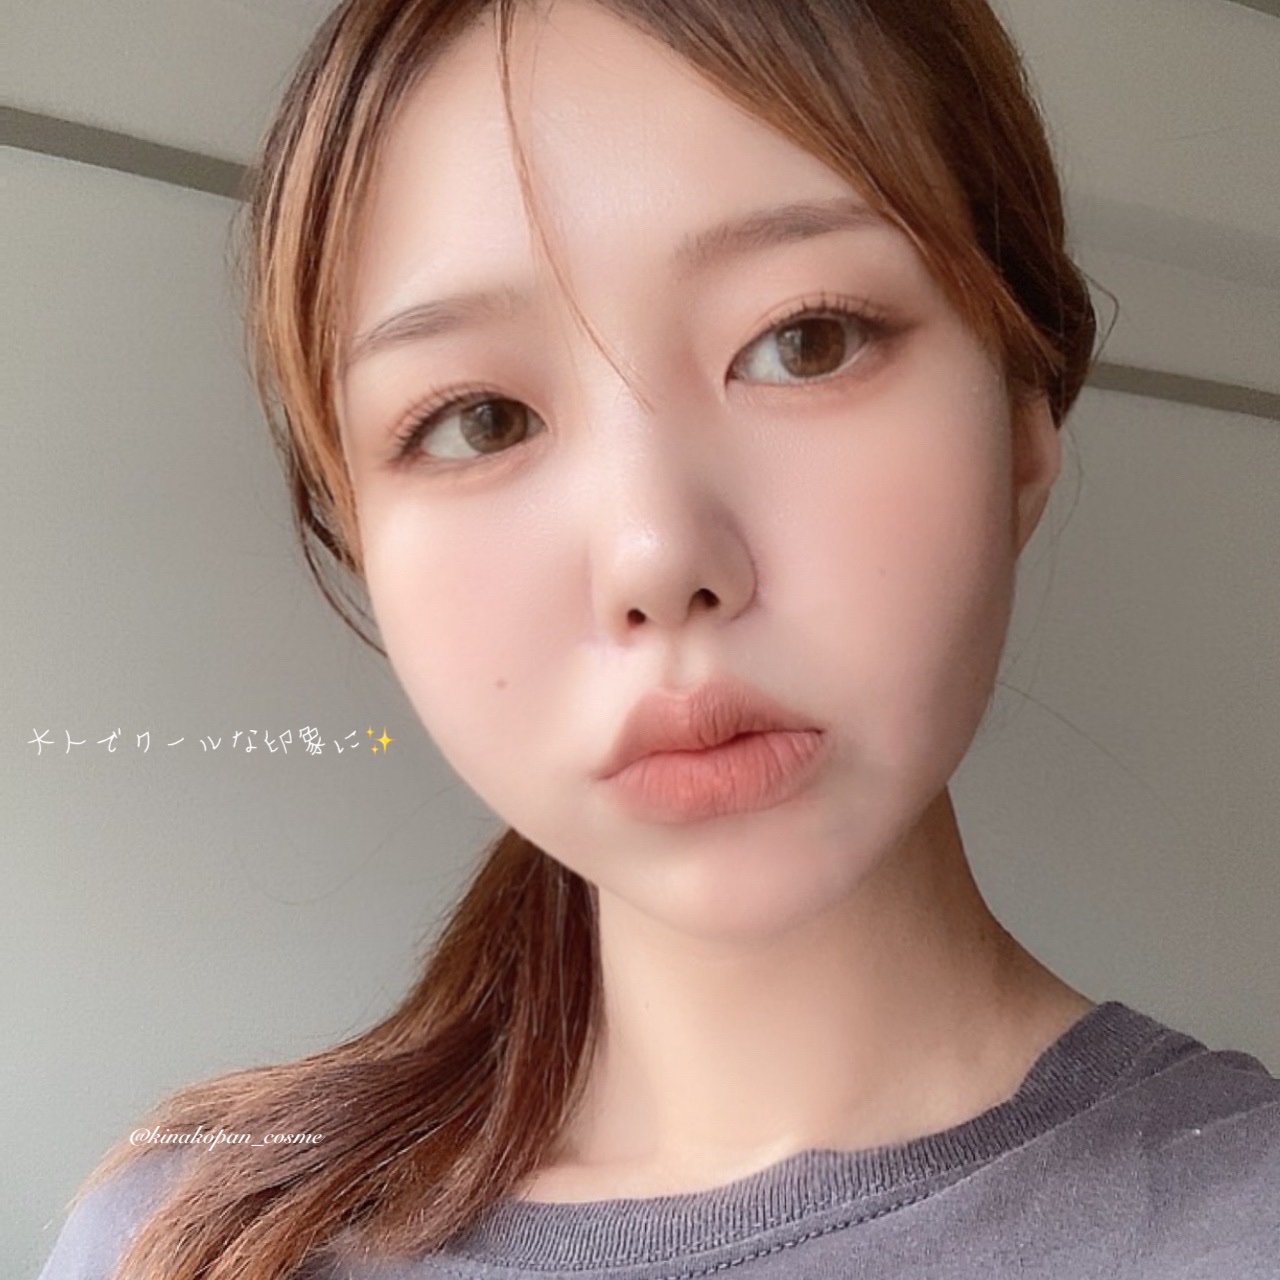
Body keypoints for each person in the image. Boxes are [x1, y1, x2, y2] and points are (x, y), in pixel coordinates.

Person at [37, 1, 1280, 1277]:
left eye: (803, 342)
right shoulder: (190, 1239)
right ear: (360, 538)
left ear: (1021, 417)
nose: (654, 557)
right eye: (478, 419)